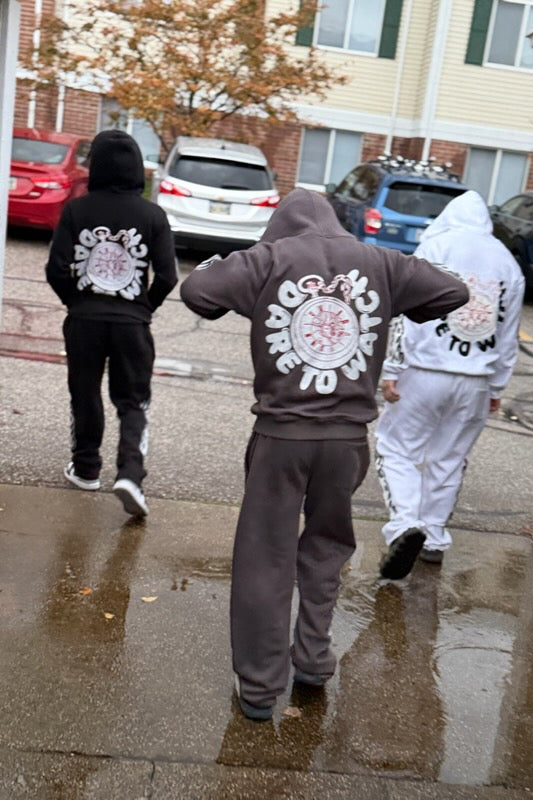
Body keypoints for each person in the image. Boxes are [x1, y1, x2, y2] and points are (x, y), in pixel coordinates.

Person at [179, 187, 468, 721]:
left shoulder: (268, 259)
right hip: (346, 442)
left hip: (282, 439)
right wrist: (397, 299)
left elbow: (197, 291)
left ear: (279, 228)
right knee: (327, 548)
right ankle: (313, 659)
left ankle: (260, 688)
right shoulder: (381, 262)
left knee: (266, 556)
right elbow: (452, 290)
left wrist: (241, 266)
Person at [375, 190, 525, 580]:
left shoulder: (434, 248)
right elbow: (508, 332)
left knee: (396, 448)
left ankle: (406, 524)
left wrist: (392, 368)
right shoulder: (507, 263)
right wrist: (497, 387)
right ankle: (434, 539)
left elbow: (406, 315)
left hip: (423, 371)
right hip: (476, 379)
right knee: (449, 459)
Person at [46, 129, 178, 517]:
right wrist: (144, 307)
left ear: (96, 167)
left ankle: (86, 469)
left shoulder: (76, 211)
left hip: (84, 320)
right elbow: (168, 276)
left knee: (84, 392)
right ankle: (130, 476)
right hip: (131, 323)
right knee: (132, 400)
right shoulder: (153, 216)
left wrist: (76, 302)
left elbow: (56, 269)